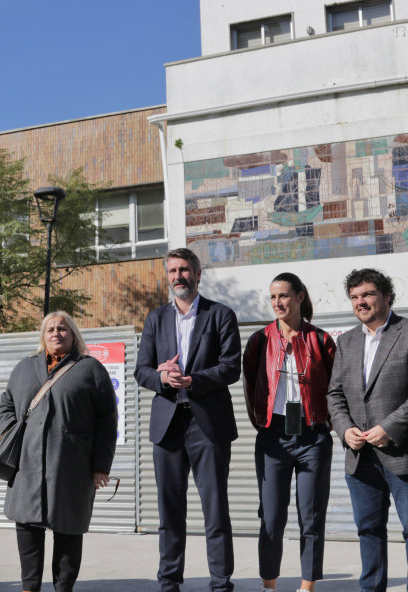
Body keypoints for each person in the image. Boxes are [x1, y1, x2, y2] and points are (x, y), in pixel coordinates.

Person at [134, 247, 241, 592]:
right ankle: (169, 581)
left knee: (215, 507)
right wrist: (163, 378)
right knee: (169, 510)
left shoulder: (220, 314)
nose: (177, 276)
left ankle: (221, 582)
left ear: (197, 274)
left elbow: (231, 367)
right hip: (167, 425)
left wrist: (192, 379)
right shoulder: (155, 319)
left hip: (207, 424)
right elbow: (141, 371)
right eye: (172, 271)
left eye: (184, 270)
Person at [326, 268, 408, 592]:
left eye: (368, 294)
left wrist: (389, 427)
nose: (361, 302)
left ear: (387, 296)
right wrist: (344, 431)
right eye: (355, 297)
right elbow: (334, 395)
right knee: (368, 530)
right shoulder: (346, 341)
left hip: (404, 456)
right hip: (360, 459)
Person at [0, 311, 117, 592]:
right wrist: (11, 432)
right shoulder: (25, 367)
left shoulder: (90, 369)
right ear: (43, 336)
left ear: (73, 335)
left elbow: (108, 420)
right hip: (27, 464)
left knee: (69, 530)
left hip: (71, 465)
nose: (56, 333)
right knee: (27, 528)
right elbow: (5, 404)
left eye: (63, 328)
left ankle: (63, 588)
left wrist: (101, 465)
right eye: (50, 329)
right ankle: (30, 587)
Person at [243, 273, 336, 592]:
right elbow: (251, 386)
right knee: (271, 517)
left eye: (283, 295)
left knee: (311, 516)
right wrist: (262, 424)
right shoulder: (259, 340)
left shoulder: (321, 340)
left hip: (312, 434)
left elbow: (335, 387)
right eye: (272, 297)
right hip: (274, 434)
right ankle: (269, 585)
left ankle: (306, 586)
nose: (277, 303)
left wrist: (328, 424)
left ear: (299, 297)